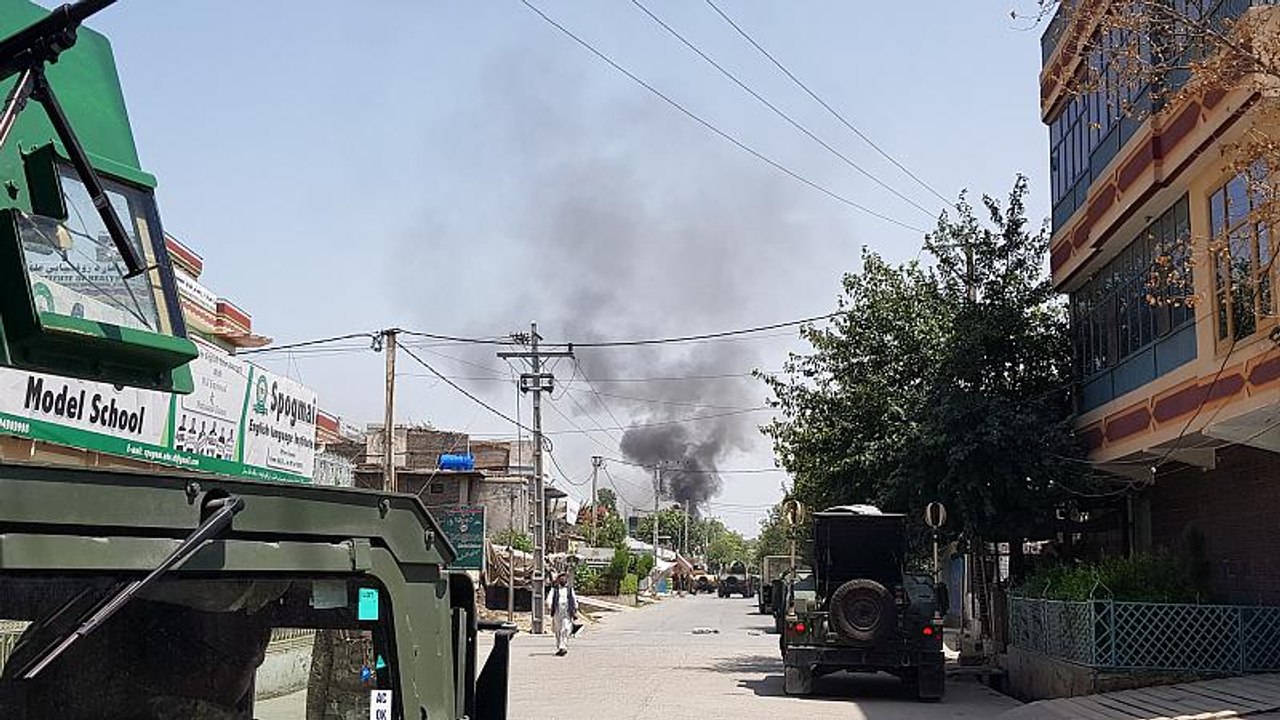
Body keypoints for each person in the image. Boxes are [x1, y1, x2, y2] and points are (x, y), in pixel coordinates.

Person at [545, 572, 577, 656]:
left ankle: (563, 647)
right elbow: (549, 599)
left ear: (566, 579)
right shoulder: (554, 589)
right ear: (559, 579)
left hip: (567, 611)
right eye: (561, 578)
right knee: (558, 629)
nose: (563, 579)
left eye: (564, 577)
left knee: (566, 628)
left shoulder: (570, 589)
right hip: (557, 611)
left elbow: (574, 599)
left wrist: (575, 609)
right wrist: (549, 605)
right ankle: (560, 646)